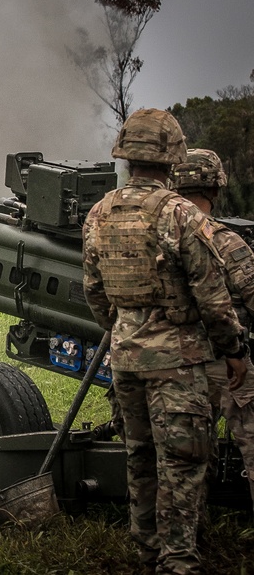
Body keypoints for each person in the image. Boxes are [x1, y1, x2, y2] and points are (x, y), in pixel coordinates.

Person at [82, 108, 246, 575]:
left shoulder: (100, 211)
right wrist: (232, 349)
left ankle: (148, 550)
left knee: (141, 456)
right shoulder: (180, 213)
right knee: (183, 461)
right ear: (171, 154)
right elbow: (211, 294)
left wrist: (122, 328)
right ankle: (178, 560)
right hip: (177, 360)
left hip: (126, 358)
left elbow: (94, 291)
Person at [170, 148, 254, 513]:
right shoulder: (226, 242)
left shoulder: (160, 240)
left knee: (186, 459)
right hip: (228, 366)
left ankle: (188, 539)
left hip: (175, 364)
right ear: (216, 189)